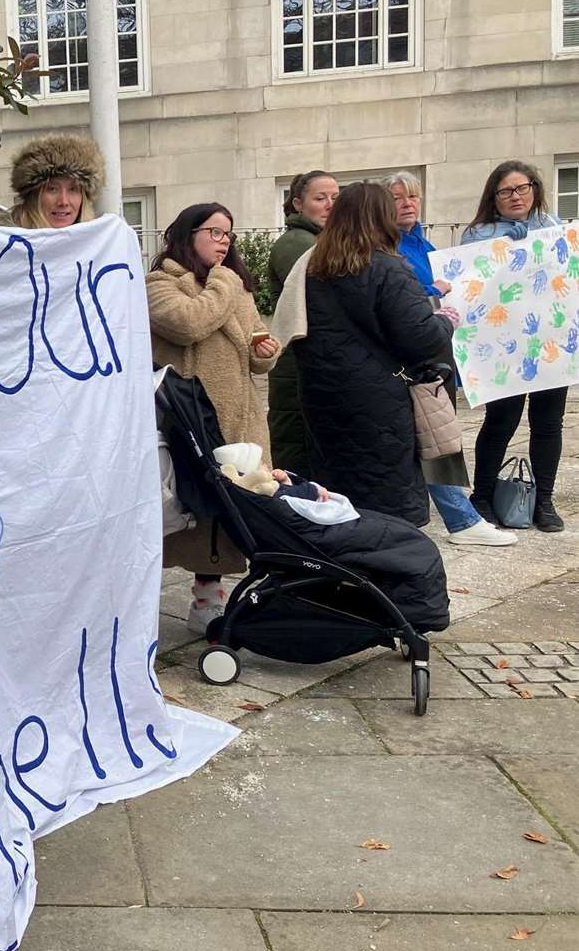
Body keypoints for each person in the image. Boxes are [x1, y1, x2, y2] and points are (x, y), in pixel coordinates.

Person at [147, 203, 280, 634]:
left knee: (227, 514)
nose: (223, 242)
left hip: (238, 419)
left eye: (228, 235)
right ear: (188, 235)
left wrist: (266, 352)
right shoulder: (159, 284)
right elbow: (189, 324)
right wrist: (223, 282)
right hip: (186, 419)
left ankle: (208, 598)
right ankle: (138, 599)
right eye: (215, 232)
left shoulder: (237, 290)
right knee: (177, 510)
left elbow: (254, 349)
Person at [295, 182, 459, 525]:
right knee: (386, 500)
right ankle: (385, 570)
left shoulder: (313, 269)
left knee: (339, 496)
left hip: (324, 396)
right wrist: (445, 321)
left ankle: (346, 569)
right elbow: (422, 338)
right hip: (380, 400)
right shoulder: (387, 268)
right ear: (383, 218)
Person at [386, 170, 515, 547]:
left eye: (412, 197)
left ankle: (459, 517)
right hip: (413, 358)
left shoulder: (423, 244)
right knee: (436, 437)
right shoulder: (388, 247)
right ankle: (461, 519)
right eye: (397, 197)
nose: (407, 203)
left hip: (434, 352)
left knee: (436, 436)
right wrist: (433, 290)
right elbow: (400, 296)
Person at [460, 161, 567, 532]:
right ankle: (484, 496)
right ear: (494, 197)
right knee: (500, 422)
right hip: (503, 346)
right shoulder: (478, 235)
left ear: (535, 189)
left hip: (549, 343)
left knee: (548, 424)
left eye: (522, 188)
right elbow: (471, 287)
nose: (515, 196)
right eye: (506, 191)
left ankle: (545, 501)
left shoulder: (555, 229)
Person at [266, 170, 338, 477]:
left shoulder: (321, 240)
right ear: (298, 203)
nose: (329, 205)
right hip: (297, 366)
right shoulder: (297, 243)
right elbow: (325, 296)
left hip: (311, 362)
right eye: (320, 198)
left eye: (336, 198)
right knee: (297, 454)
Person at [8, 133, 104, 229]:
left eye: (73, 189)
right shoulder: (6, 239)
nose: (63, 202)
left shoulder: (99, 239)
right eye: (52, 189)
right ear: (33, 196)